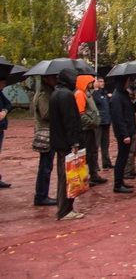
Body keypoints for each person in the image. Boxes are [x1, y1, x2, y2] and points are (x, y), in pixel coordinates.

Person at [49, 68, 84, 220]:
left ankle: (64, 207)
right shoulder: (66, 95)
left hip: (59, 141)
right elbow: (70, 121)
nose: (76, 81)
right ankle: (65, 210)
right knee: (68, 177)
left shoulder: (56, 93)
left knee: (64, 175)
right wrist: (74, 142)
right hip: (66, 143)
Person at [74, 75, 107, 186]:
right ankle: (86, 178)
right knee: (86, 154)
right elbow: (81, 113)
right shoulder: (80, 94)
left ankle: (94, 175)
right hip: (85, 129)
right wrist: (92, 122)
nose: (94, 83)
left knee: (92, 152)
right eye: (92, 81)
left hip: (90, 128)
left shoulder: (87, 93)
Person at [32, 75, 58, 205]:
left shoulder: (48, 92)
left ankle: (42, 194)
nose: (56, 79)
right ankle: (41, 196)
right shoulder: (44, 94)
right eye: (53, 78)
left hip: (48, 132)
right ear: (46, 79)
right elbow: (46, 113)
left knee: (47, 165)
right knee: (45, 166)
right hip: (46, 133)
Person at [110, 76, 136, 194]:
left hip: (129, 130)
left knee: (124, 157)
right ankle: (117, 184)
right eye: (127, 81)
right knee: (121, 158)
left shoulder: (123, 94)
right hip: (124, 132)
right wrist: (124, 134)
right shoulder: (116, 97)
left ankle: (120, 181)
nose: (129, 83)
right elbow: (118, 118)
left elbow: (131, 110)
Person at [92, 77, 113, 169]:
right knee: (96, 144)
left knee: (106, 143)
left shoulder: (104, 93)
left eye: (103, 81)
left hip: (106, 120)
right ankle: (95, 165)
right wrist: (96, 90)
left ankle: (106, 162)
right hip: (99, 122)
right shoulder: (94, 93)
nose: (102, 83)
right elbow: (97, 102)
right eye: (100, 81)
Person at [0, 78, 12, 188]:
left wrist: (4, 111)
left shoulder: (0, 94)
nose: (4, 83)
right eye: (3, 81)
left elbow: (9, 104)